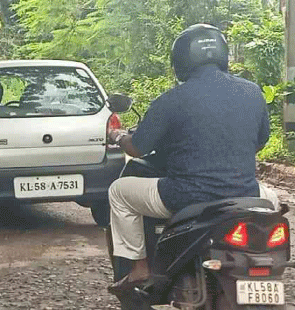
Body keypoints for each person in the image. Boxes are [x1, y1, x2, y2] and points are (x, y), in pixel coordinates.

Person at [107, 24, 279, 292]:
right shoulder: (252, 93)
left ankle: (139, 268)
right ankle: (264, 262)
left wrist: (117, 136)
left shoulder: (171, 100)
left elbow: (137, 149)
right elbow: (260, 141)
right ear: (223, 54)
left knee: (119, 192)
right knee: (273, 201)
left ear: (180, 61)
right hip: (244, 193)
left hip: (186, 197)